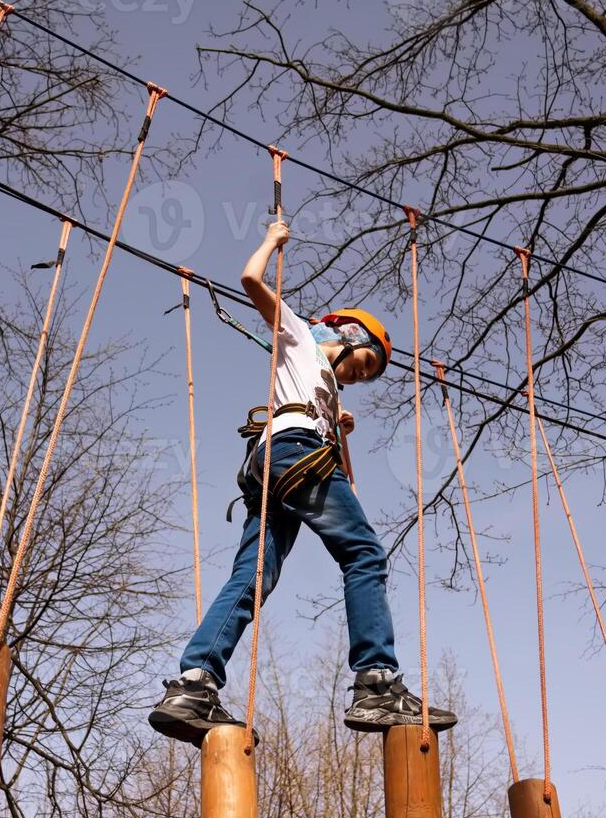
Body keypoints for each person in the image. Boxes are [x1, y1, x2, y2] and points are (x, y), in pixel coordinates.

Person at [149, 219, 458, 745]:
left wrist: (337, 421)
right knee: (364, 553)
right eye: (361, 364)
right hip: (295, 456)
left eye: (365, 377)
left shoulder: (323, 387)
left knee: (254, 577)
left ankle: (193, 684)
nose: (357, 376)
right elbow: (250, 280)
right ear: (344, 335)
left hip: (273, 465)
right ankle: (377, 681)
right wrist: (271, 240)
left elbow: (312, 404)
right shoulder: (302, 340)